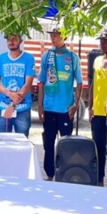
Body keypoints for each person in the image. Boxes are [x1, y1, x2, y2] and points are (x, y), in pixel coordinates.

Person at [37, 28, 82, 181]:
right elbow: (41, 82)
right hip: (49, 107)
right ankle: (49, 174)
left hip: (65, 108)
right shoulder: (47, 56)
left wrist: (76, 104)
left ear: (64, 36)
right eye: (51, 35)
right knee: (48, 143)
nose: (53, 38)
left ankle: (65, 174)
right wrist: (40, 106)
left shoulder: (72, 57)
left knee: (66, 145)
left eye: (56, 35)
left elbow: (79, 82)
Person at [88, 29, 107, 186]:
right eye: (101, 41)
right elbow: (93, 84)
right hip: (98, 112)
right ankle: (99, 180)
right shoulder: (97, 60)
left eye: (106, 41)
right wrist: (90, 107)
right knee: (98, 148)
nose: (103, 44)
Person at [0, 34, 36, 137]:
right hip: (3, 106)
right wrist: (10, 94)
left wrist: (12, 105)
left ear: (21, 41)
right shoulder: (1, 58)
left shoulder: (28, 58)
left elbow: (28, 84)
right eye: (9, 39)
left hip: (22, 108)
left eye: (14, 39)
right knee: (2, 141)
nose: (11, 42)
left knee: (21, 141)